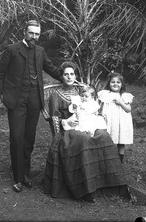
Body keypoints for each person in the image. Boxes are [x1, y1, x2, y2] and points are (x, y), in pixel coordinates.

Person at [44, 61, 128, 202]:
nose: (69, 77)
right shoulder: (55, 95)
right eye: (66, 74)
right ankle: (87, 189)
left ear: (75, 75)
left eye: (72, 74)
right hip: (68, 129)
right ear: (61, 76)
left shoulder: (82, 91)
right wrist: (67, 123)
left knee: (103, 135)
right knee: (83, 139)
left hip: (87, 124)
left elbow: (93, 106)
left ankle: (108, 184)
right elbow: (54, 118)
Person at [0, 20, 61, 193]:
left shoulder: (40, 51)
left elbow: (51, 68)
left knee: (28, 138)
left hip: (34, 100)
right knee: (17, 137)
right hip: (16, 100)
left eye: (37, 34)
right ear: (25, 32)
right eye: (31, 33)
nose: (34, 37)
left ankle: (25, 174)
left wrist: (68, 77)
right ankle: (17, 178)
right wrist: (1, 94)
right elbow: (0, 73)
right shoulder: (12, 49)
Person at [98, 72, 134, 163]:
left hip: (121, 122)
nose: (115, 84)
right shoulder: (105, 94)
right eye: (112, 82)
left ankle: (120, 160)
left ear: (122, 85)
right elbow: (99, 106)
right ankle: (108, 159)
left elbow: (128, 109)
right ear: (109, 83)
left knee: (121, 140)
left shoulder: (124, 96)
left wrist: (121, 103)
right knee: (109, 138)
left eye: (118, 82)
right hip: (110, 120)